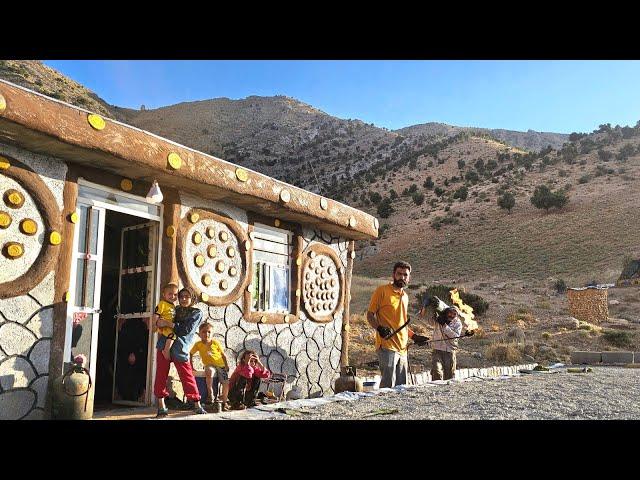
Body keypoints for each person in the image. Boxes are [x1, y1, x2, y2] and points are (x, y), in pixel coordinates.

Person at [366, 261, 429, 388]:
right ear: (393, 275)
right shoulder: (382, 291)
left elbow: (403, 323)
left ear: (409, 278)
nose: (402, 277)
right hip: (387, 345)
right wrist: (379, 328)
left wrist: (414, 336)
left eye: (405, 275)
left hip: (403, 348)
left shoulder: (405, 296)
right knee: (387, 386)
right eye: (399, 274)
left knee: (402, 388)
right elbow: (369, 315)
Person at [153, 286, 206, 417]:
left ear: (192, 298)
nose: (183, 299)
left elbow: (185, 330)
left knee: (187, 375)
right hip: (164, 345)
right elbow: (160, 321)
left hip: (180, 348)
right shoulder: (174, 309)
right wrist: (160, 322)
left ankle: (196, 404)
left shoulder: (196, 313)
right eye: (181, 296)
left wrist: (167, 323)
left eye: (186, 296)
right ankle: (161, 406)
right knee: (161, 374)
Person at [190, 322, 230, 411]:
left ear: (212, 333)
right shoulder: (198, 344)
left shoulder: (215, 343)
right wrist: (191, 366)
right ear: (199, 333)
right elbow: (191, 354)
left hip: (221, 365)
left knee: (226, 383)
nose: (206, 334)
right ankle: (210, 393)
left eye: (209, 332)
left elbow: (223, 355)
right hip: (209, 365)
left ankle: (224, 401)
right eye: (204, 332)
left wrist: (226, 366)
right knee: (209, 371)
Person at [420, 302, 463, 381]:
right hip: (437, 349)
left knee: (449, 374)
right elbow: (429, 322)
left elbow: (455, 336)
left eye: (454, 314)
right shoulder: (440, 318)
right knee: (436, 371)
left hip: (449, 350)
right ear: (447, 312)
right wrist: (434, 316)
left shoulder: (458, 323)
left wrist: (444, 325)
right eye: (450, 313)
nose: (452, 315)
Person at [155, 283, 178, 361]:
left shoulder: (173, 306)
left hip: (168, 326)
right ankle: (166, 350)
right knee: (173, 335)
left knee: (172, 334)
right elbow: (156, 314)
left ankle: (166, 349)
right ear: (164, 294)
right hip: (164, 325)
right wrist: (154, 324)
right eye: (170, 294)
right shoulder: (162, 304)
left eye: (175, 294)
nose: (172, 296)